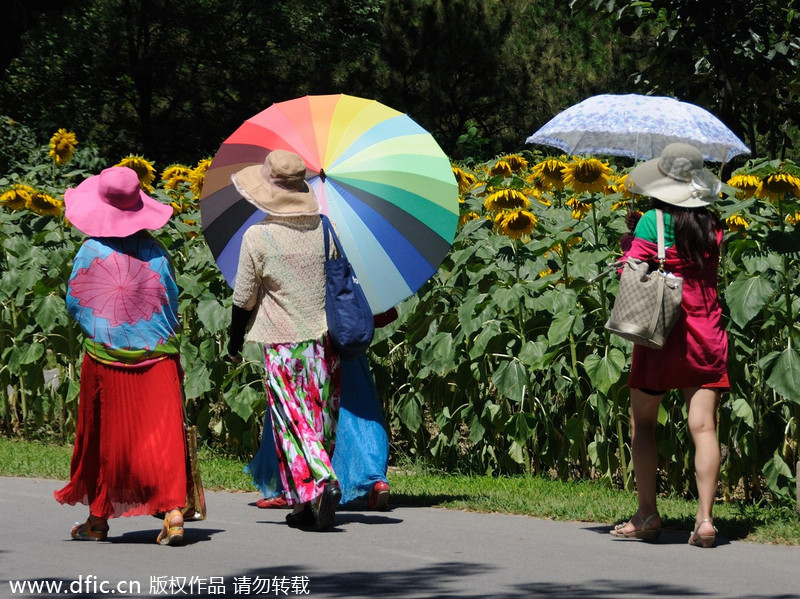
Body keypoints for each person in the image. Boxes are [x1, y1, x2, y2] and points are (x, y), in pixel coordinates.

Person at [54, 166, 189, 545]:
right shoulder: (157, 253)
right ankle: (174, 514)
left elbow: (76, 305)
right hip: (158, 359)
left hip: (105, 359)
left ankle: (97, 521)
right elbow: (170, 304)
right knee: (161, 437)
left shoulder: (89, 252)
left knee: (105, 440)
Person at [609, 143, 729, 548]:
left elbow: (633, 269)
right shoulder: (713, 226)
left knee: (643, 424)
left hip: (659, 335)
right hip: (705, 334)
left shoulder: (649, 222)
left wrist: (632, 239)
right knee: (704, 427)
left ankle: (647, 515)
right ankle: (706, 520)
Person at [227, 149, 342, 531]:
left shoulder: (258, 237)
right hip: (323, 341)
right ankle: (303, 505)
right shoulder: (325, 228)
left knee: (292, 425)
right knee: (317, 421)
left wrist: (233, 341)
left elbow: (243, 298)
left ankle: (323, 482)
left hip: (282, 344)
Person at [249, 310, 397, 512]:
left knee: (298, 411)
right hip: (344, 328)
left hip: (308, 334)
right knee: (359, 406)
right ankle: (376, 481)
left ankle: (296, 486)